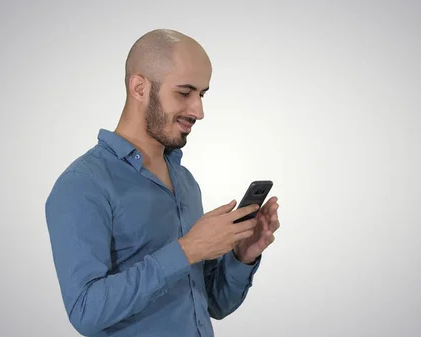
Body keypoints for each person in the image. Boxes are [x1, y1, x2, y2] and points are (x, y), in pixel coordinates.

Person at [44, 28, 280, 337]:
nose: (199, 111)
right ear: (140, 88)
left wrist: (242, 255)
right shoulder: (82, 184)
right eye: (184, 92)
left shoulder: (185, 182)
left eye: (202, 94)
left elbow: (213, 305)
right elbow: (86, 312)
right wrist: (188, 249)